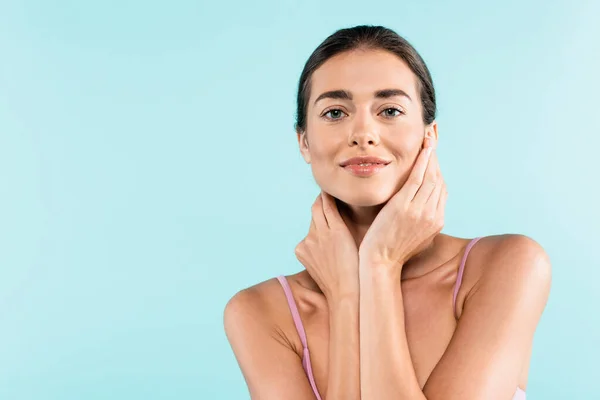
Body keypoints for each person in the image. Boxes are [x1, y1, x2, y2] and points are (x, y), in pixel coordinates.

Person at [223, 25, 551, 400]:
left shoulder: (506, 266)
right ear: (304, 142)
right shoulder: (260, 313)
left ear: (430, 135)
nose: (363, 132)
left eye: (390, 110)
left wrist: (379, 264)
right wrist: (347, 295)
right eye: (334, 112)